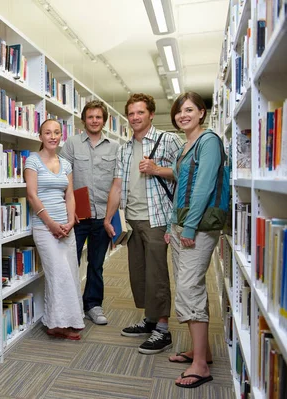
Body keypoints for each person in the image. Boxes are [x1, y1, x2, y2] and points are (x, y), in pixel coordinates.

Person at [104, 93, 183, 354]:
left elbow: (186, 173)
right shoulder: (124, 148)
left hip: (158, 219)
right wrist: (109, 217)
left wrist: (157, 169)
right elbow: (117, 185)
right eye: (131, 113)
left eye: (140, 112)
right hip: (132, 220)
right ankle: (150, 320)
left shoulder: (169, 139)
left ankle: (163, 330)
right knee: (138, 273)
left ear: (150, 114)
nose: (135, 117)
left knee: (157, 274)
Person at [165, 92, 225, 388]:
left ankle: (200, 366)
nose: (182, 115)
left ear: (202, 112)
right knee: (189, 289)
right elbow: (179, 190)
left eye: (189, 110)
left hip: (198, 228)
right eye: (178, 111)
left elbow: (203, 187)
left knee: (189, 288)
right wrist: (170, 224)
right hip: (180, 225)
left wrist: (188, 228)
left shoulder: (209, 141)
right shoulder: (185, 146)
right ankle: (202, 351)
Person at [60, 100, 119, 325]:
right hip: (76, 216)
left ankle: (93, 304)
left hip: (103, 217)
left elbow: (117, 182)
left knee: (96, 263)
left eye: (99, 117)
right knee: (70, 262)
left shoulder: (114, 148)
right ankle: (70, 305)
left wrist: (110, 216)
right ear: (83, 120)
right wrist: (69, 210)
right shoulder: (72, 144)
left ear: (104, 120)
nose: (94, 121)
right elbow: (63, 179)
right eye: (90, 117)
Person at [25, 119, 85, 340]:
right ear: (40, 136)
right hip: (44, 227)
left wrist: (70, 221)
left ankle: (63, 320)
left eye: (57, 132)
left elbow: (69, 195)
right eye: (47, 132)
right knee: (58, 274)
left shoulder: (65, 163)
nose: (52, 136)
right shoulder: (32, 161)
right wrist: (51, 223)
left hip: (66, 228)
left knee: (70, 273)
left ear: (62, 135)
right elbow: (32, 195)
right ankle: (58, 324)